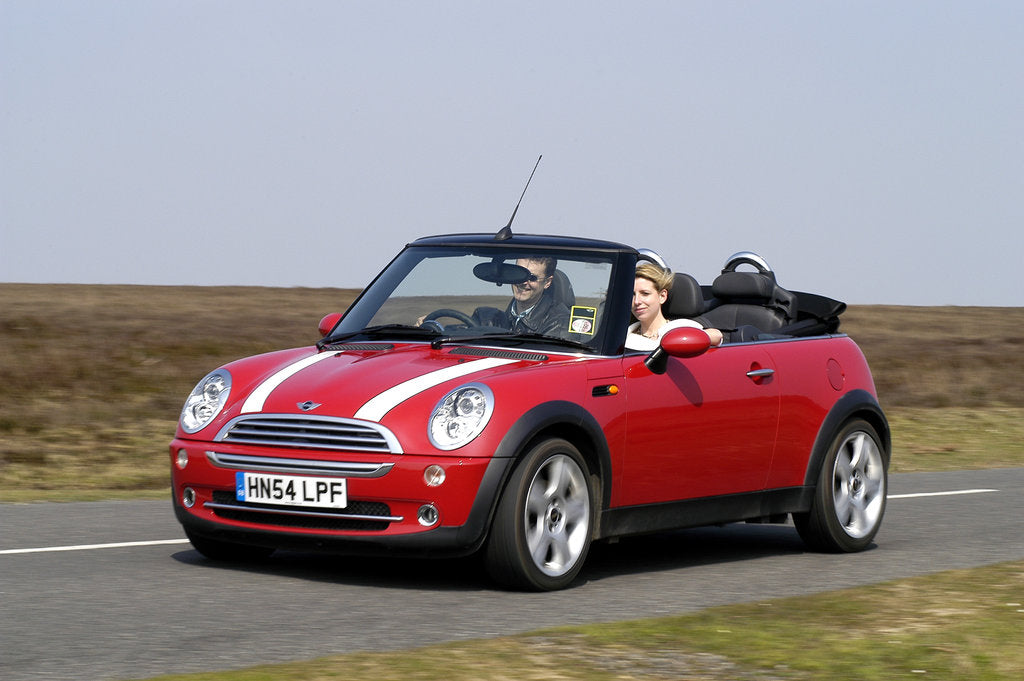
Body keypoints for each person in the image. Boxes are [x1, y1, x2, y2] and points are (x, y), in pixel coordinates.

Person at [625, 262, 724, 351]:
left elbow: (717, 336)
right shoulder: (623, 336)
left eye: (645, 294)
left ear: (662, 296)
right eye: (632, 295)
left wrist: (682, 338)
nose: (637, 301)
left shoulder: (679, 327)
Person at [504, 256, 570, 337]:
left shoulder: (559, 325)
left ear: (547, 282)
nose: (523, 282)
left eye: (532, 278)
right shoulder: (496, 318)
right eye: (519, 273)